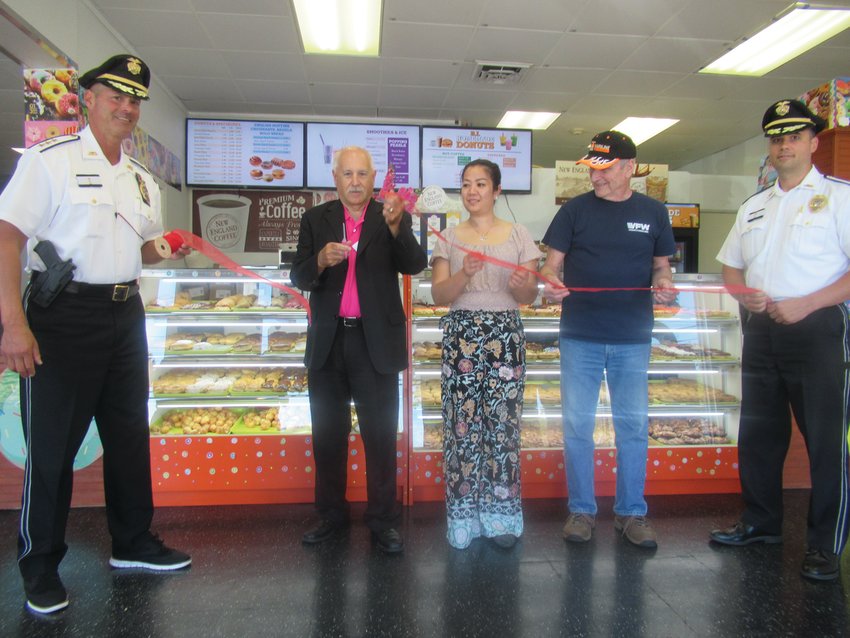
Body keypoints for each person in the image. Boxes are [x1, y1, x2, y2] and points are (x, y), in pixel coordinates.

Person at [0, 54, 192, 615]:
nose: (126, 108)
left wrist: (167, 247)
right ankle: (39, 566)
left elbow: (137, 250)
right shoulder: (48, 162)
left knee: (129, 436)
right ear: (87, 97)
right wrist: (13, 323)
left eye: (135, 100)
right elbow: (8, 239)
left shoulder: (139, 179)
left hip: (125, 314)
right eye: (116, 96)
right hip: (63, 319)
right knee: (53, 448)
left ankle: (133, 543)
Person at [710, 99, 850, 581]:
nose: (783, 144)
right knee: (759, 435)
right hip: (762, 329)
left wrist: (808, 302)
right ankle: (761, 522)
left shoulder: (840, 196)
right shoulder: (755, 204)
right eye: (776, 137)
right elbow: (731, 265)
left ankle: (825, 545)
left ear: (814, 143)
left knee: (826, 441)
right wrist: (742, 293)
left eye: (793, 136)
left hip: (818, 328)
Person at [540, 131, 676, 548]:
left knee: (632, 428)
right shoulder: (574, 211)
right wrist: (551, 284)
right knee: (577, 427)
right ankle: (581, 510)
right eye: (592, 169)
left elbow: (661, 268)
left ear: (629, 167)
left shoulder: (654, 212)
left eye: (604, 168)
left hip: (633, 337)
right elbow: (551, 267)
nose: (596, 177)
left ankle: (632, 513)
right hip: (579, 335)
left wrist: (665, 284)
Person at [291, 146, 427, 554]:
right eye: (347, 174)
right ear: (335, 178)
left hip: (376, 345)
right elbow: (299, 275)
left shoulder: (388, 215)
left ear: (373, 179)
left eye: (362, 174)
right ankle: (331, 516)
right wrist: (318, 260)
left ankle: (383, 520)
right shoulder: (316, 219)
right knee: (328, 437)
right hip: (329, 344)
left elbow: (415, 264)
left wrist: (398, 225)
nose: (355, 182)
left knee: (381, 437)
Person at [430, 159, 541, 550]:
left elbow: (528, 297)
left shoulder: (518, 235)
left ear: (496, 191)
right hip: (461, 338)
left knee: (502, 427)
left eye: (480, 184)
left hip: (505, 337)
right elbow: (439, 295)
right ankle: (464, 519)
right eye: (465, 184)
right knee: (461, 427)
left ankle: (501, 517)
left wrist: (520, 284)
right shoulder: (448, 236)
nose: (472, 191)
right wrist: (465, 274)